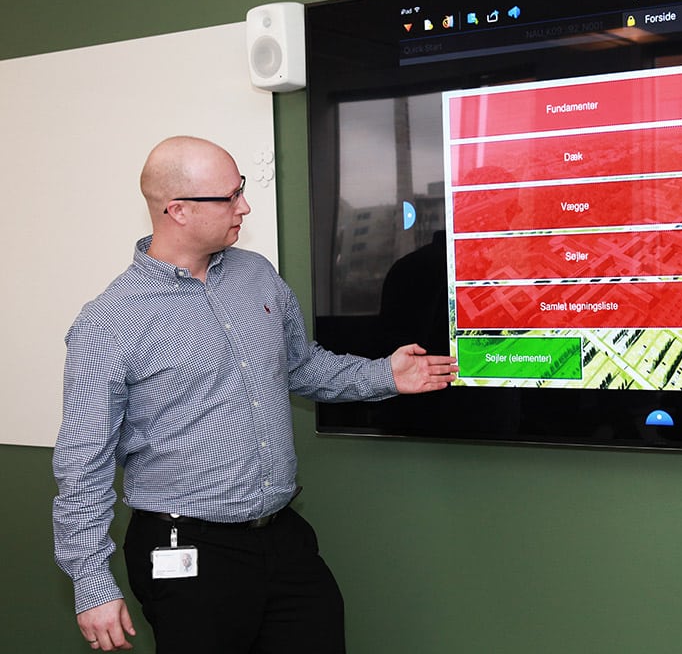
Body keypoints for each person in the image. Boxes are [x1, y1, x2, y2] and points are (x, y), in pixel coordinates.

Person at [52, 136, 458, 652]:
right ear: (176, 209)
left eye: (240, 189)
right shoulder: (109, 322)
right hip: (186, 550)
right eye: (228, 197)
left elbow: (301, 365)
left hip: (282, 537)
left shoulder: (256, 275)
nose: (244, 205)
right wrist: (90, 580)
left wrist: (385, 376)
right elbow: (82, 461)